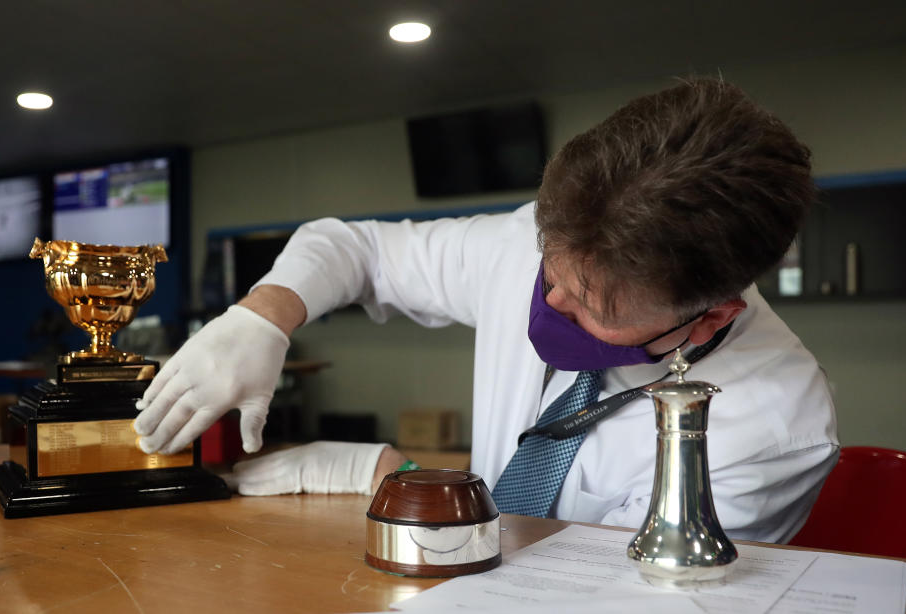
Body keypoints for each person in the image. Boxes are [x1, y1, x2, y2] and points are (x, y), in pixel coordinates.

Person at [133, 77, 838, 543]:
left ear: (709, 316)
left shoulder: (771, 427)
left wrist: (393, 481)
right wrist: (263, 315)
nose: (551, 301)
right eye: (549, 268)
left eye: (589, 303)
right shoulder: (525, 243)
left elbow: (611, 593)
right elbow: (353, 248)